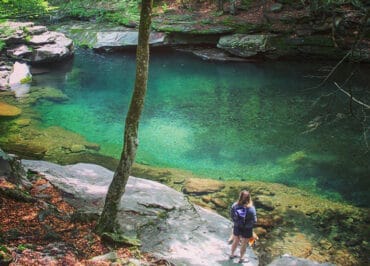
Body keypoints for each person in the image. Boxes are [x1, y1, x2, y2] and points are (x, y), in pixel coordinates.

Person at [229, 190, 257, 263]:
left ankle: (232, 254)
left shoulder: (235, 205)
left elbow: (231, 215)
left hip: (237, 226)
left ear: (240, 197)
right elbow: (254, 220)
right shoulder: (251, 208)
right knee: (244, 243)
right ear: (249, 198)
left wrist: (236, 222)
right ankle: (241, 258)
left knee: (235, 240)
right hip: (247, 228)